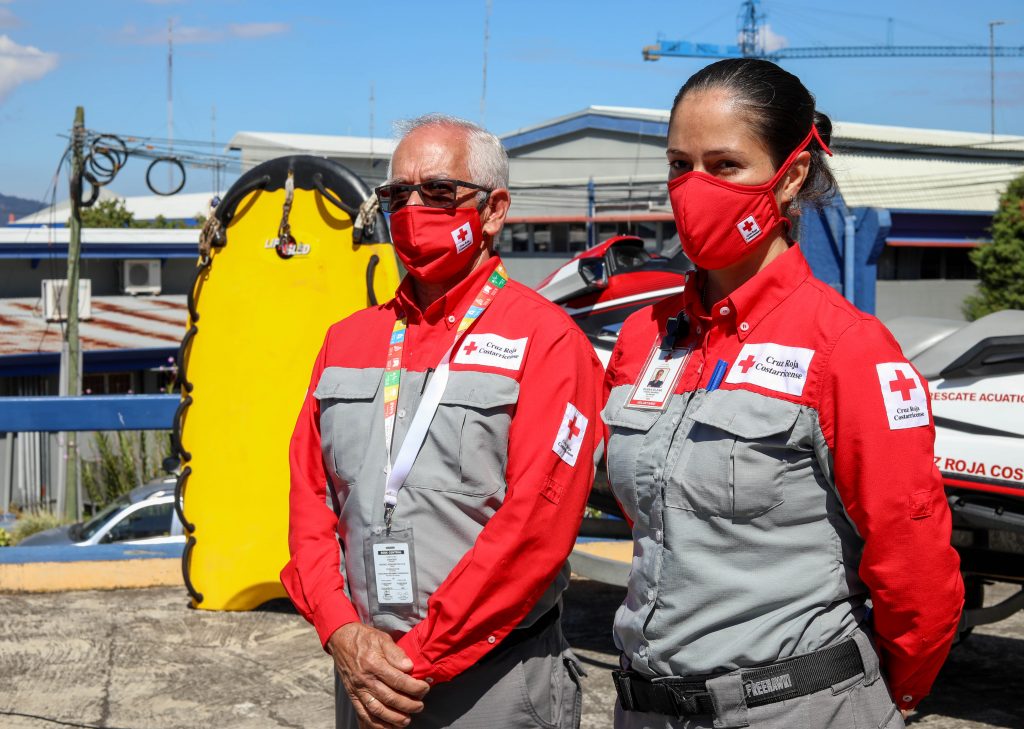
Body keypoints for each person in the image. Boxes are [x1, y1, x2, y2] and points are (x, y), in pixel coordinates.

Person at [602, 59, 964, 729]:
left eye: (724, 164)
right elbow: (659, 522)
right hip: (648, 709)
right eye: (680, 165)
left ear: (791, 175)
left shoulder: (845, 347)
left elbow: (916, 568)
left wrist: (874, 700)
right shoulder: (643, 338)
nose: (694, 188)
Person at [282, 113, 603, 729]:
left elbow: (534, 530)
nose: (411, 209)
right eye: (396, 195)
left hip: (493, 686)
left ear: (493, 209)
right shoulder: (347, 340)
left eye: (436, 192)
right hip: (365, 681)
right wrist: (343, 633)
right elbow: (309, 502)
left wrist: (416, 658)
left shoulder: (548, 341)